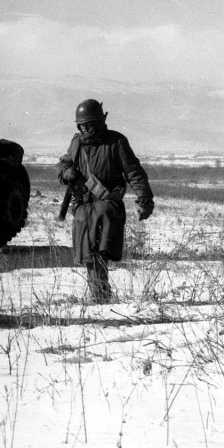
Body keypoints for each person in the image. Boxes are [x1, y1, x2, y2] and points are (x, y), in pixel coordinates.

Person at [57, 99, 154, 303]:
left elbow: (134, 172)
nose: (85, 128)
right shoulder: (76, 143)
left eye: (89, 124)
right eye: (82, 125)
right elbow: (64, 164)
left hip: (107, 206)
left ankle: (100, 296)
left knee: (100, 252)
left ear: (99, 122)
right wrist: (67, 172)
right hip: (83, 206)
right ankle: (99, 295)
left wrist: (144, 199)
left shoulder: (116, 142)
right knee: (87, 254)